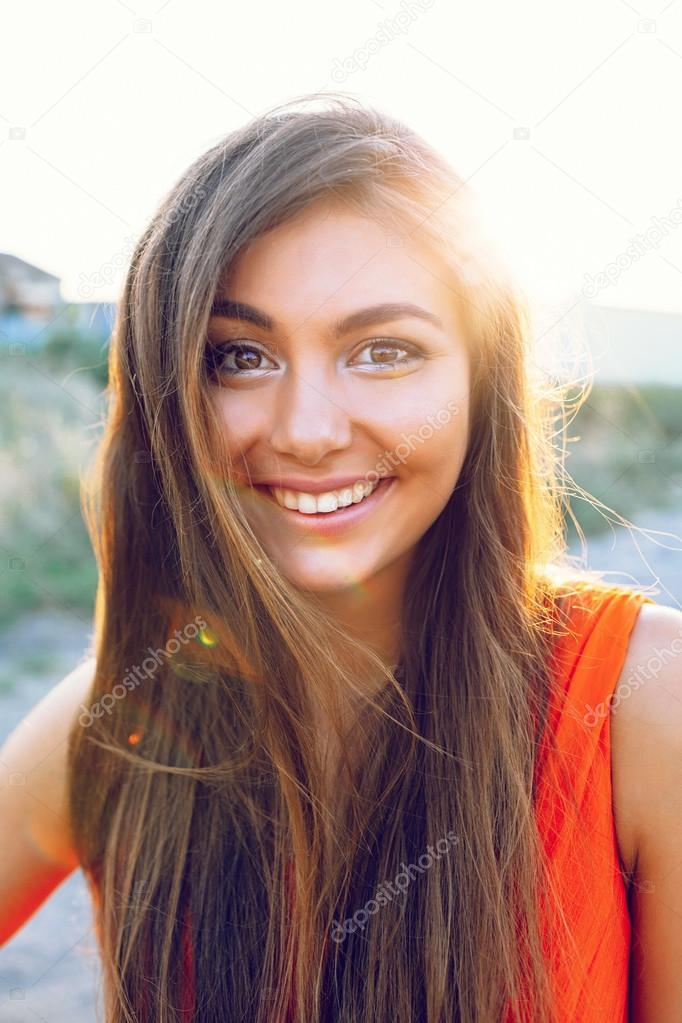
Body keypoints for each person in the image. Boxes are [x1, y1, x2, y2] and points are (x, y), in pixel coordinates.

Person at [2, 92, 682, 1023]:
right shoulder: (119, 718)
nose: (309, 430)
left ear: (483, 382)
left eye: (384, 350)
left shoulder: (647, 704)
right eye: (238, 356)